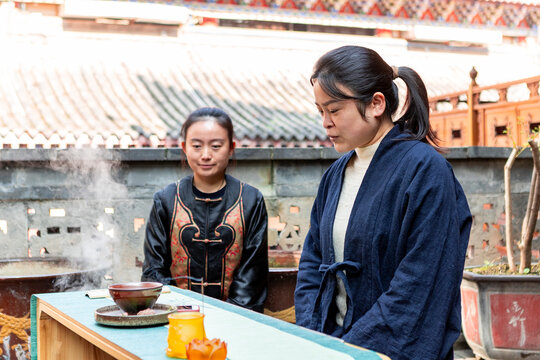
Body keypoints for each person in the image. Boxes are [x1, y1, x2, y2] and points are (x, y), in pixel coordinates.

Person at [294, 45, 472, 360]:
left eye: (334, 110)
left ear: (376, 103)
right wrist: (315, 336)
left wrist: (353, 349)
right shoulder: (336, 173)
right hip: (332, 346)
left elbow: (419, 285)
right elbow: (313, 262)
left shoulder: (426, 171)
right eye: (320, 111)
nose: (325, 122)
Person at [141, 107, 268, 312]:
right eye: (197, 146)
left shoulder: (251, 200)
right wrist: (174, 313)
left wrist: (229, 317)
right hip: (175, 318)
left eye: (216, 146)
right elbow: (154, 271)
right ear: (184, 147)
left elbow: (252, 276)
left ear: (231, 148)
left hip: (237, 320)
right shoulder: (165, 200)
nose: (206, 155)